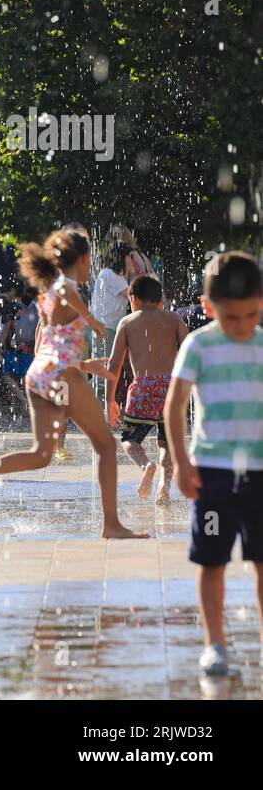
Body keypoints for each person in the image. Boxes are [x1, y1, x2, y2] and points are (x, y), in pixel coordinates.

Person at [0, 229, 147, 540]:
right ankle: (111, 524)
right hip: (60, 378)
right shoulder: (62, 288)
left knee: (41, 454)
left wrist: (86, 365)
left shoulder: (50, 291)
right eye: (89, 261)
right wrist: (90, 318)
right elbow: (66, 293)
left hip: (43, 375)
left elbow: (54, 344)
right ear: (84, 259)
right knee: (106, 445)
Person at [163, 252, 263, 677]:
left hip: (259, 475)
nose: (242, 326)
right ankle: (215, 643)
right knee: (212, 560)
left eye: (252, 314)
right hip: (213, 477)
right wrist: (183, 464)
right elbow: (174, 406)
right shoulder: (199, 344)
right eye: (231, 317)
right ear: (208, 307)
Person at [105, 275, 188, 507]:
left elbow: (114, 365)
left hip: (144, 387)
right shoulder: (173, 318)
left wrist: (109, 400)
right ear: (159, 301)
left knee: (129, 439)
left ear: (133, 299)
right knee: (167, 443)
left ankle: (146, 466)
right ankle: (164, 487)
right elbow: (190, 349)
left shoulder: (128, 322)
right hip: (171, 390)